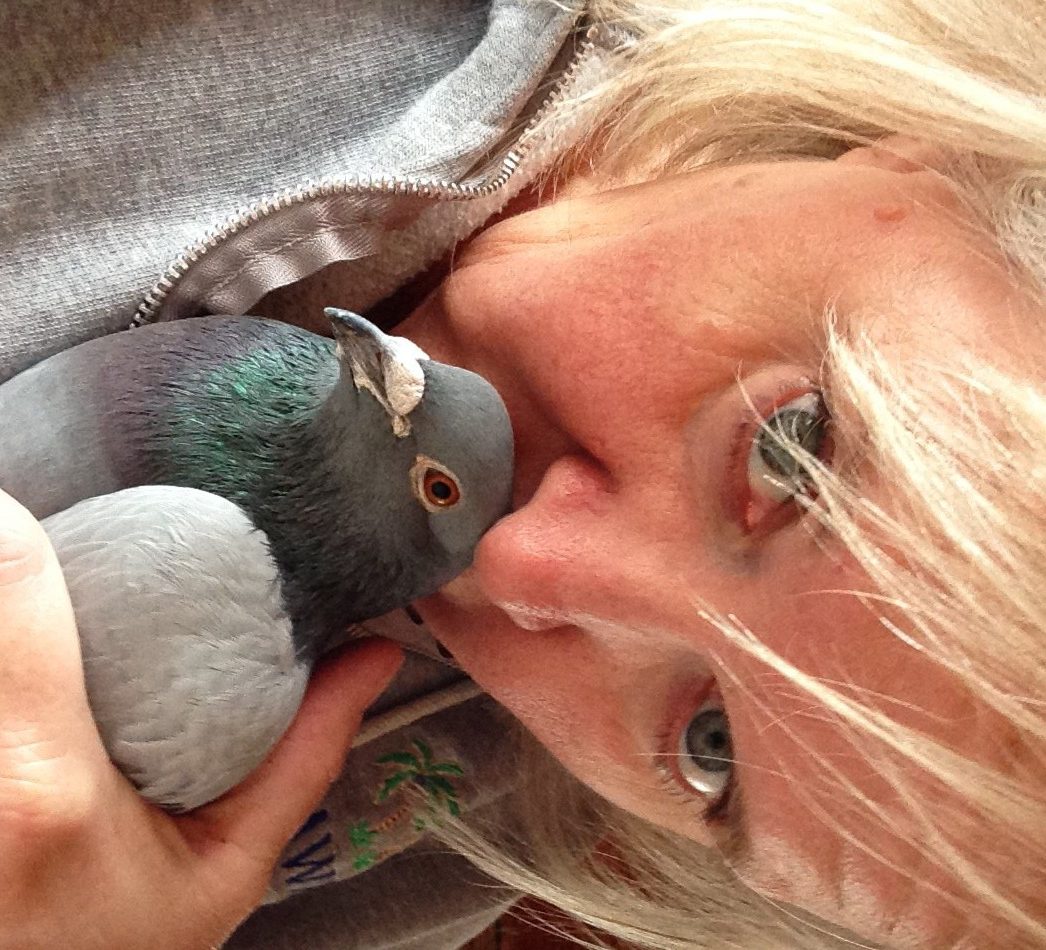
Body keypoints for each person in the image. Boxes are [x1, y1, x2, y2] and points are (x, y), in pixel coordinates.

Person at [0, 1, 1042, 949]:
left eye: (710, 746)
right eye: (791, 445)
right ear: (947, 153)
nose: (520, 563)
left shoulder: (421, 836)